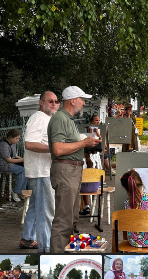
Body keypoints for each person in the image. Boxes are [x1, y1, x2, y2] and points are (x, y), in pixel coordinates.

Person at [48, 86, 101, 252]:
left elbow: (68, 146)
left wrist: (86, 146)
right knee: (64, 221)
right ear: (73, 100)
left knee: (71, 219)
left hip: (71, 171)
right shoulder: (59, 119)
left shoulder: (67, 119)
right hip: (65, 171)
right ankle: (57, 257)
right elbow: (57, 149)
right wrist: (84, 143)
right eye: (82, 99)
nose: (84, 103)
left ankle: (65, 254)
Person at [0, 129, 26, 201]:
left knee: (27, 169)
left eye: (18, 139)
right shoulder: (3, 145)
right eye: (16, 138)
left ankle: (22, 192)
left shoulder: (12, 144)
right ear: (11, 137)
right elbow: (8, 159)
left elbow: (15, 155)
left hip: (10, 164)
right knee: (22, 170)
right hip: (3, 165)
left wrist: (24, 159)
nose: (18, 140)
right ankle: (16, 191)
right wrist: (24, 160)